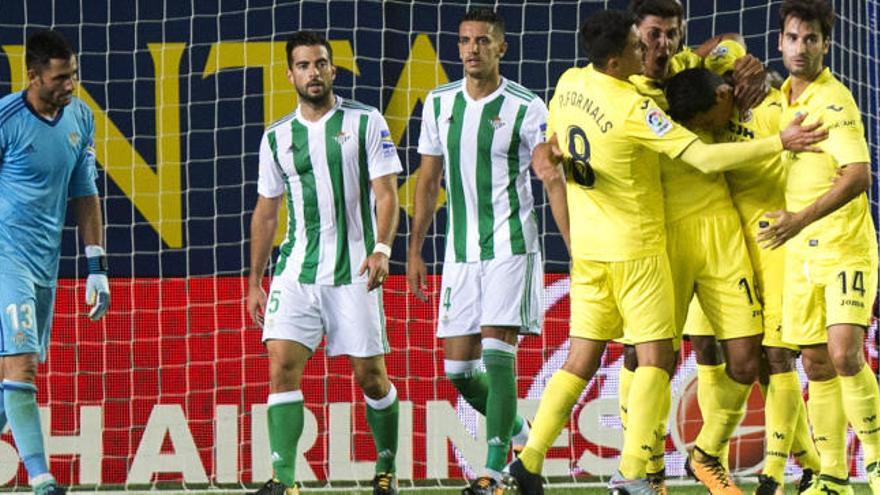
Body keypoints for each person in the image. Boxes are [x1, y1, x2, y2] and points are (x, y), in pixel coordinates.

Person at [505, 9, 825, 495]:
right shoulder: (634, 104)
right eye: (646, 38)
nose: (656, 46)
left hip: (652, 244)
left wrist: (749, 65)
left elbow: (729, 41)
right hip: (646, 248)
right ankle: (640, 470)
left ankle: (530, 465)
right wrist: (779, 142)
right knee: (651, 357)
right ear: (620, 55)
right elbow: (700, 153)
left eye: (670, 35)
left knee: (730, 358)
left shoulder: (574, 80)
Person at [246, 31, 402, 495]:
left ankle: (386, 469)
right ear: (290, 74)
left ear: (333, 70)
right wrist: (255, 279)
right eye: (303, 66)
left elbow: (387, 194)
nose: (313, 73)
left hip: (355, 267)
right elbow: (267, 211)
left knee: (370, 378)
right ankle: (285, 481)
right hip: (296, 269)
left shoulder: (366, 121)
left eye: (320, 64)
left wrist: (383, 248)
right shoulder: (276, 138)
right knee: (281, 364)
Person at [407, 8, 546, 495]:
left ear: (501, 48)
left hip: (512, 245)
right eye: (465, 41)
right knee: (459, 370)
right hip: (460, 253)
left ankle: (495, 471)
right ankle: (524, 444)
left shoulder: (528, 107)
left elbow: (550, 175)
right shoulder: (439, 103)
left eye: (483, 41)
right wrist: (415, 249)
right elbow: (427, 181)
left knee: (496, 351)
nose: (471, 49)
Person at [666, 66, 821, 495]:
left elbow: (734, 44)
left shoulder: (772, 106)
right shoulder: (693, 93)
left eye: (703, 122)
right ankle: (805, 464)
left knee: (774, 357)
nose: (701, 130)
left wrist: (768, 75)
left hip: (775, 243)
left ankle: (771, 473)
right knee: (705, 350)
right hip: (724, 244)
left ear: (720, 97)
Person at [758, 1, 880, 494]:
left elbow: (859, 175)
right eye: (793, 38)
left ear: (825, 45)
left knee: (845, 354)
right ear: (781, 41)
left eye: (811, 39)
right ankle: (832, 475)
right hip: (800, 255)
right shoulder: (780, 98)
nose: (801, 48)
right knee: (815, 362)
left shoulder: (837, 100)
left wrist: (798, 219)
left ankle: (875, 462)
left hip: (844, 249)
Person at [0, 29, 110, 495]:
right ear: (33, 76)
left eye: (75, 75)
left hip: (46, 264)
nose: (71, 85)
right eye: (61, 77)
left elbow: (84, 193)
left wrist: (96, 267)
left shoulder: (81, 118)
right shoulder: (6, 119)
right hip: (6, 257)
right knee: (20, 366)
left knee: (13, 386)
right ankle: (42, 479)